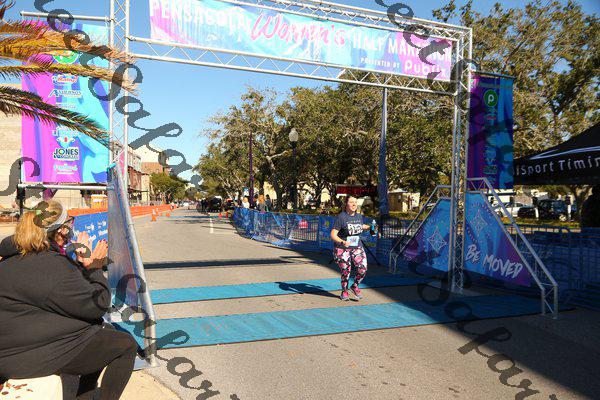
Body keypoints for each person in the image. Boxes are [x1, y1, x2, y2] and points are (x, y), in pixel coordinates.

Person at [0, 201, 138, 400]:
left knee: (99, 332)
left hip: (14, 345)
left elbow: (63, 295)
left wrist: (80, 267)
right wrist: (94, 268)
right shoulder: (50, 264)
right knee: (125, 345)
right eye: (69, 224)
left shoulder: (10, 259)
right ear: (60, 230)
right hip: (29, 356)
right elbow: (97, 304)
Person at [330, 196, 376, 301]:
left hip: (357, 247)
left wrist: (369, 227)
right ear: (346, 204)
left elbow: (359, 226)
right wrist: (342, 241)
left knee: (363, 269)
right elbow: (333, 234)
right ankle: (344, 291)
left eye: (355, 202)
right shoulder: (341, 217)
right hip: (342, 248)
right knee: (346, 271)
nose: (354, 204)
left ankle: (354, 286)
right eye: (351, 202)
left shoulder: (359, 216)